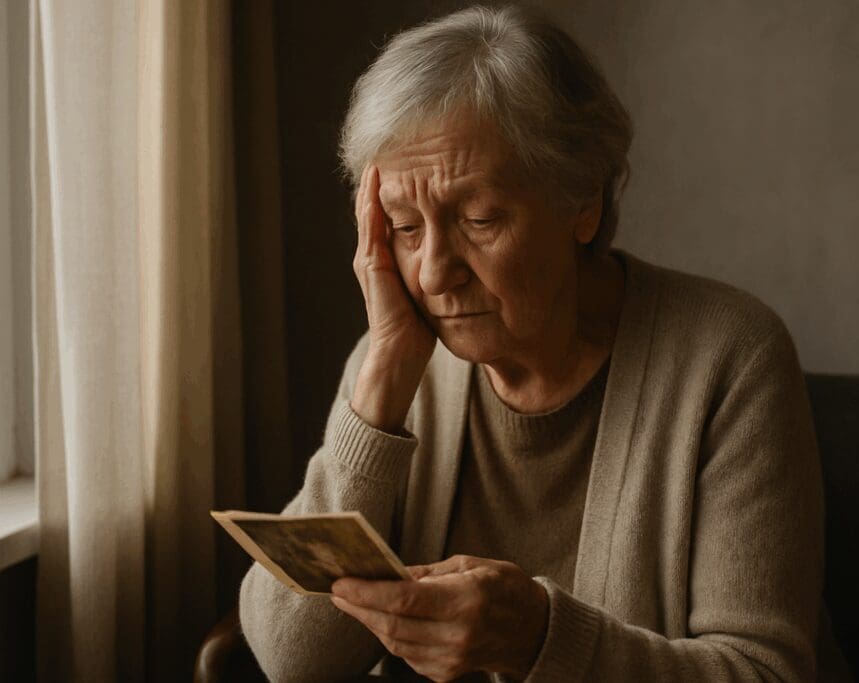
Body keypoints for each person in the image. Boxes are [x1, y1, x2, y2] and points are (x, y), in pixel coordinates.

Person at [239, 5, 825, 682]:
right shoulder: (396, 361)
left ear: (582, 200)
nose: (433, 272)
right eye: (403, 226)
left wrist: (539, 639)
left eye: (479, 218)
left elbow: (766, 673)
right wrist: (377, 395)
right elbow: (290, 659)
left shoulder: (730, 358)